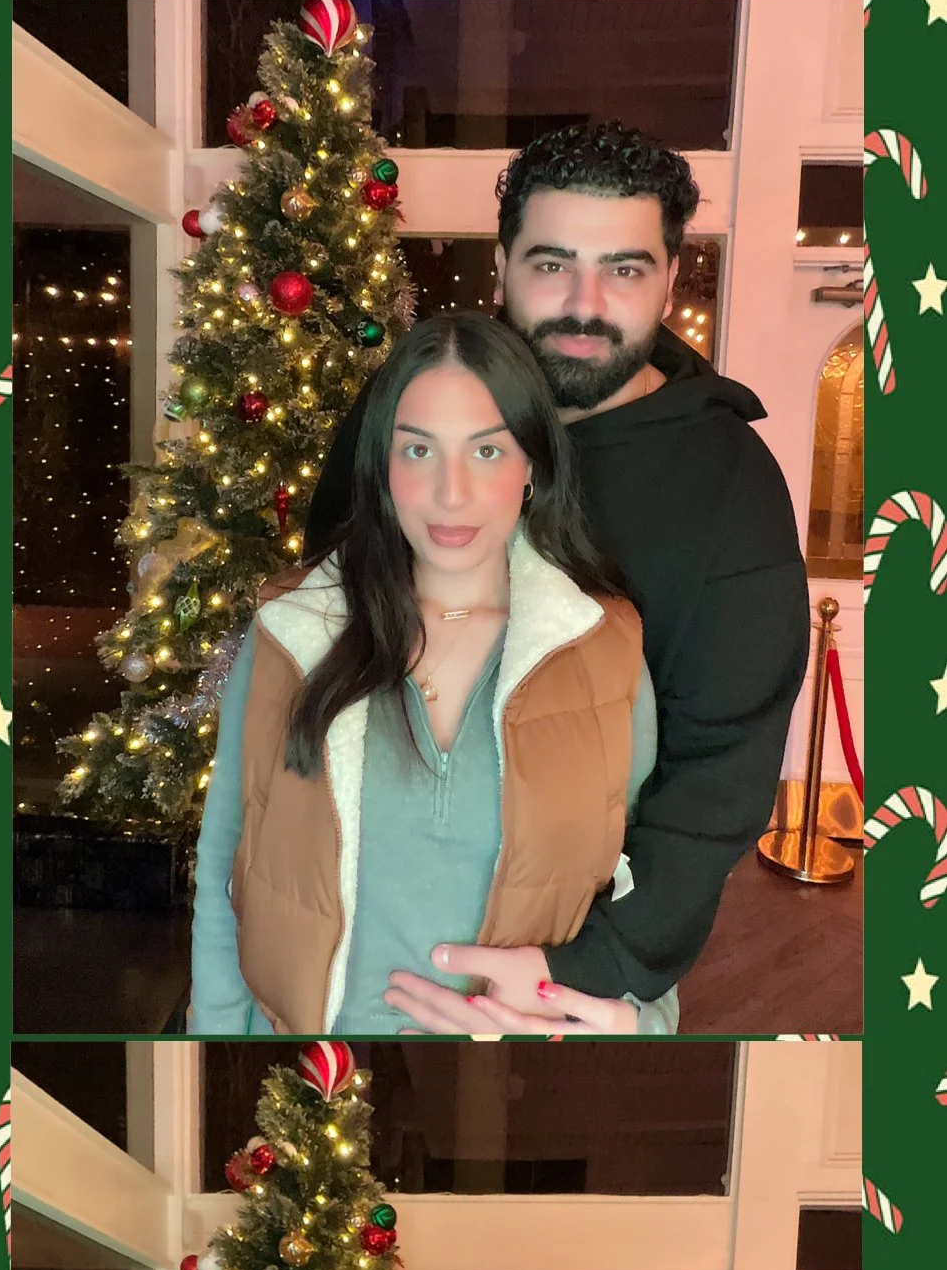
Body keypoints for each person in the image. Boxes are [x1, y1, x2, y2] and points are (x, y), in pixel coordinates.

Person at [296, 121, 811, 1027]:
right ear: (500, 267)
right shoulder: (405, 403)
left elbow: (722, 769)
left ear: (670, 275)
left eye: (624, 269)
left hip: (566, 958)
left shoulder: (729, 488)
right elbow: (327, 601)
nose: (584, 302)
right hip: (356, 911)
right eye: (550, 264)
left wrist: (594, 967)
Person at [189, 311, 675, 1038]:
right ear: (383, 465)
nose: (452, 492)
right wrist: (217, 1035)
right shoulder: (292, 632)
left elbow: (655, 885)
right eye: (419, 450)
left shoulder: (605, 649)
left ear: (533, 464)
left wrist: (634, 1024)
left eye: (486, 451)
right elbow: (227, 854)